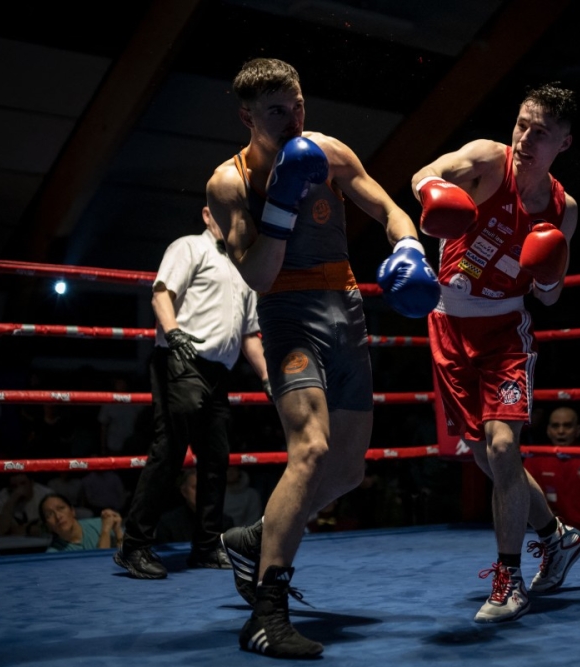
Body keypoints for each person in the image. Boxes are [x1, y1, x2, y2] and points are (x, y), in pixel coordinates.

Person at [209, 57, 440, 658]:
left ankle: (256, 537)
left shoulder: (330, 152)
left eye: (298, 105)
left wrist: (410, 248)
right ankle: (266, 612)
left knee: (346, 471)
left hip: (346, 313)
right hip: (288, 319)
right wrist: (281, 204)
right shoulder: (230, 183)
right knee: (309, 449)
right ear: (247, 117)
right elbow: (257, 277)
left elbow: (390, 211)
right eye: (276, 112)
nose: (293, 120)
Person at [411, 82, 580, 623]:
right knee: (486, 455)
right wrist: (438, 196)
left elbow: (550, 296)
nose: (527, 138)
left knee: (504, 447)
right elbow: (423, 176)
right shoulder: (488, 159)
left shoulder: (563, 208)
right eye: (523, 124)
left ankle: (509, 581)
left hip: (506, 332)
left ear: (565, 143)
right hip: (448, 326)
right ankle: (557, 539)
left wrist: (548, 265)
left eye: (542, 133)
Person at [113, 205, 271, 580]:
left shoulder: (244, 269)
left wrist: (266, 376)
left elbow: (249, 334)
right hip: (181, 359)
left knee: (216, 459)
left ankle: (205, 546)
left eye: (241, 216)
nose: (235, 222)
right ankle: (134, 546)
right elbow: (161, 293)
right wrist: (174, 332)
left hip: (219, 372)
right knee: (170, 450)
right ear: (205, 214)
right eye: (225, 213)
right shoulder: (187, 247)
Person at [156, 468, 234, 543]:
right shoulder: (167, 524)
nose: (201, 492)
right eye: (195, 487)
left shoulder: (225, 522)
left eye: (204, 487)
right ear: (184, 491)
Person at [39, 493, 123, 552]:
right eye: (49, 514)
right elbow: (99, 566)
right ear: (47, 526)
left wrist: (118, 531)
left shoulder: (100, 523)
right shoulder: (53, 553)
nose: (58, 516)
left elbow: (128, 558)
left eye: (61, 508)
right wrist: (105, 532)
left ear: (72, 511)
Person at [0, 473, 53, 537]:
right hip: (12, 544)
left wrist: (16, 529)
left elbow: (53, 526)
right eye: (14, 486)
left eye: (23, 483)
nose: (19, 489)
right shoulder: (1, 499)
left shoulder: (46, 495)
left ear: (31, 483)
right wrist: (12, 500)